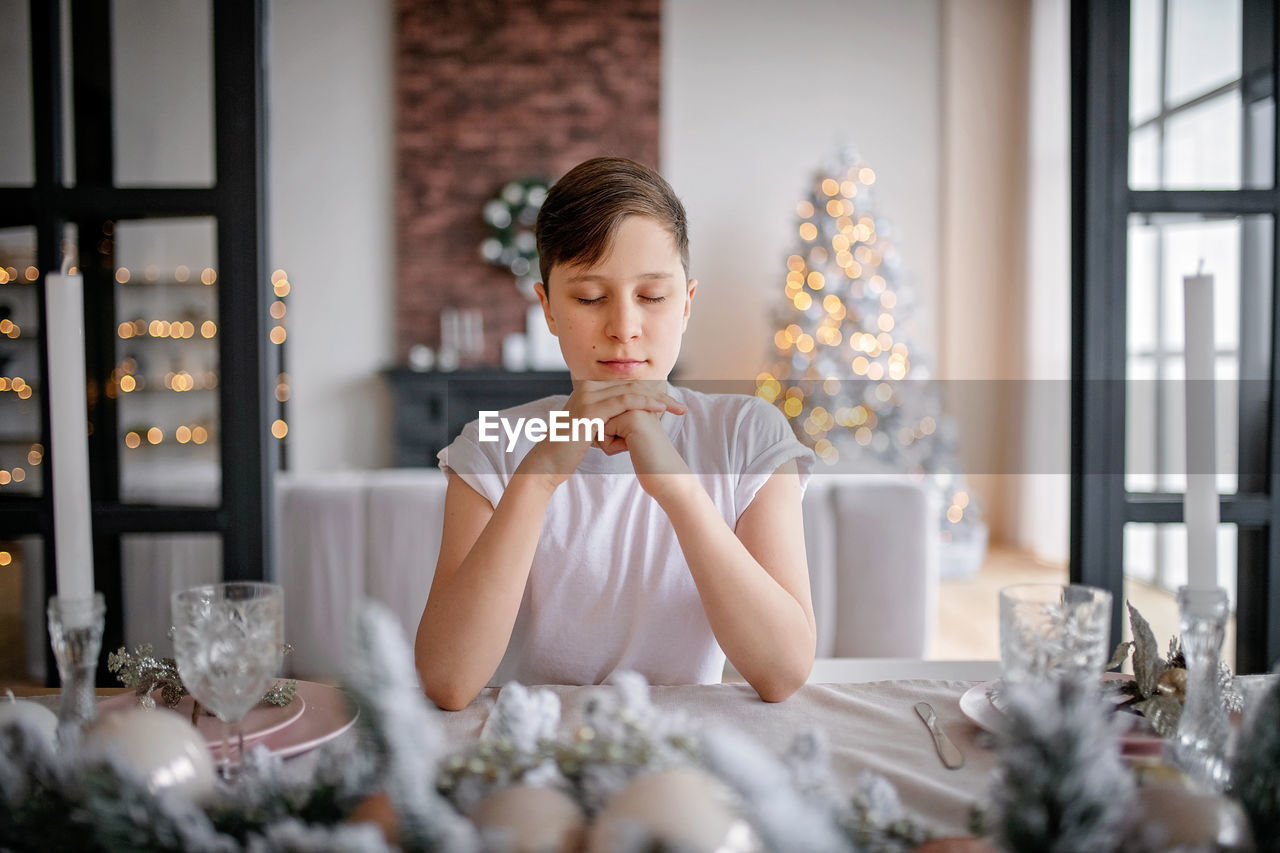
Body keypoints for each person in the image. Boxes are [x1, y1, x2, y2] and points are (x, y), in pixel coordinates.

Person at [415, 157, 816, 709]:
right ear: (549, 309)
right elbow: (447, 682)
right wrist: (537, 477)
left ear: (687, 304)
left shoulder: (746, 435)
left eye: (652, 297)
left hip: (685, 752)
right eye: (588, 297)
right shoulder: (492, 446)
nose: (624, 327)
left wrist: (676, 487)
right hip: (534, 750)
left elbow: (784, 671)